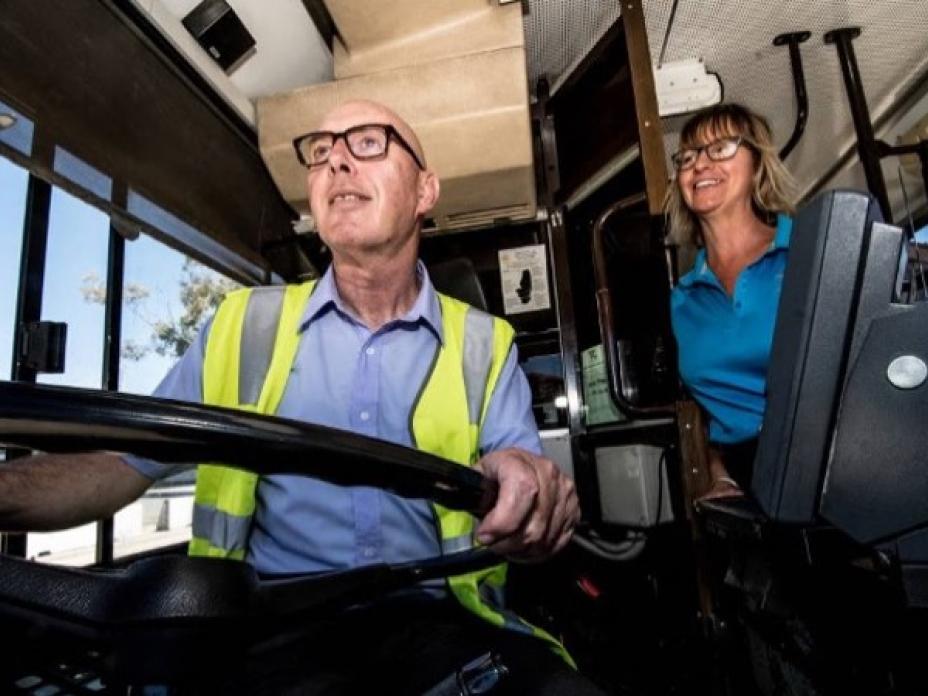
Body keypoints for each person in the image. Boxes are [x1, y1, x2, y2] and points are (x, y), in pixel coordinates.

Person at [0, 100, 604, 695]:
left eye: (367, 141)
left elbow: (527, 487)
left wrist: (528, 486)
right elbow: (120, 466)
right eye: (321, 151)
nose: (337, 160)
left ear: (425, 191)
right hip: (272, 633)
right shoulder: (241, 325)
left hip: (440, 622)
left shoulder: (486, 344)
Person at [666, 103, 796, 502]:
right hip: (750, 480)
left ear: (757, 164)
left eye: (720, 148)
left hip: (835, 462)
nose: (700, 164)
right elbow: (711, 409)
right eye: (688, 157)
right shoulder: (684, 298)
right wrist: (721, 473)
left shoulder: (809, 249)